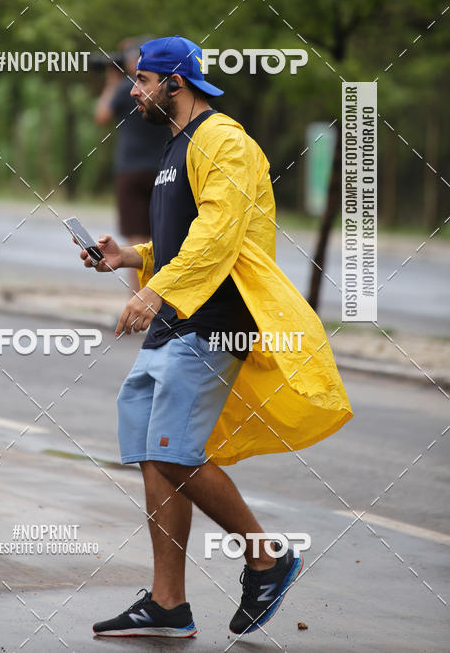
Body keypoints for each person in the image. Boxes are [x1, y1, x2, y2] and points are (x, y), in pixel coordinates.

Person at [77, 35, 353, 638]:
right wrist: (129, 258)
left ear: (174, 82)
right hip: (177, 316)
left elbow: (222, 234)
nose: (137, 92)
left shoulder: (223, 140)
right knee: (153, 453)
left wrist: (155, 293)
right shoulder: (178, 144)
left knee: (174, 451)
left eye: (145, 82)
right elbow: (184, 241)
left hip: (213, 321)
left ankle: (266, 555)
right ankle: (168, 604)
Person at [94, 37, 170, 291]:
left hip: (131, 169)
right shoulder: (163, 87)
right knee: (165, 235)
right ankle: (163, 302)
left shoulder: (126, 88)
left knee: (137, 237)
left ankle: (138, 300)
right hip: (165, 167)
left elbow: (102, 116)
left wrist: (111, 82)